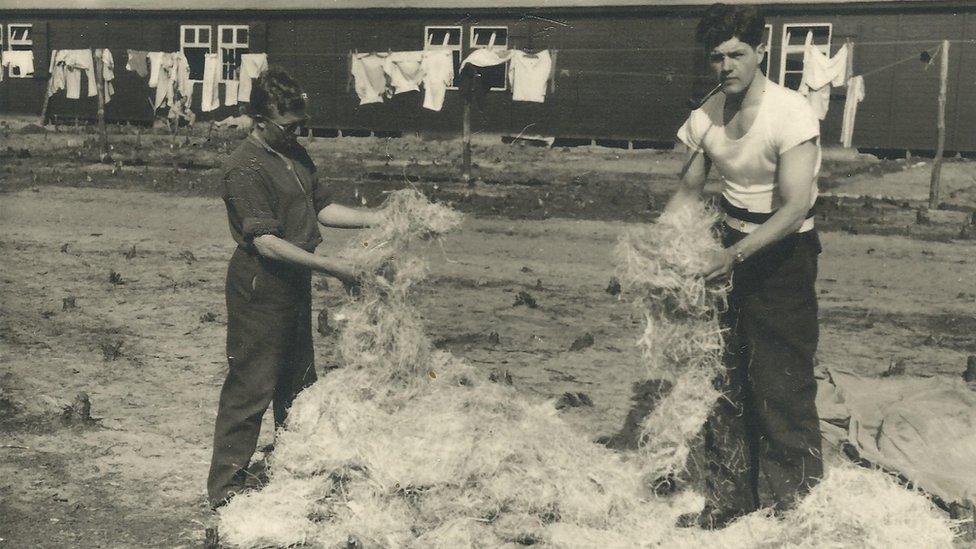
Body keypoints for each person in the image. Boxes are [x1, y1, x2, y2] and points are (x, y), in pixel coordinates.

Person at [667, 3, 824, 528]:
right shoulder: (705, 115)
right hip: (727, 246)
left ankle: (791, 512)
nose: (727, 66)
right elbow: (687, 194)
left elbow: (795, 205)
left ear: (760, 53)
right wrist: (652, 253)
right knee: (725, 380)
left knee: (780, 383)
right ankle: (729, 502)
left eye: (737, 54)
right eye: (716, 57)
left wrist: (732, 257)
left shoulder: (791, 112)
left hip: (782, 255)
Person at [207, 67, 384, 511]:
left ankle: (294, 470)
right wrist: (333, 268)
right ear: (259, 121)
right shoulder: (243, 168)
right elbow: (266, 242)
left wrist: (383, 218)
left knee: (300, 384)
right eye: (289, 126)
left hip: (294, 280)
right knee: (252, 386)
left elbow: (323, 209)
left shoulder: (295, 153)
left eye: (300, 124)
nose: (297, 132)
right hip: (259, 285)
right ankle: (226, 490)